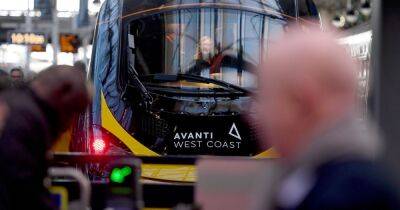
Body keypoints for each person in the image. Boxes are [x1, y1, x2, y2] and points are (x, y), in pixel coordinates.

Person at [254, 28, 400, 210]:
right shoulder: (327, 178)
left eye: (266, 97)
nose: (256, 113)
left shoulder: (348, 197)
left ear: (303, 101)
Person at [0, 65, 90, 210]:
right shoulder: (29, 119)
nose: (68, 125)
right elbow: (23, 190)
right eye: (71, 111)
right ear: (61, 93)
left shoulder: (12, 101)